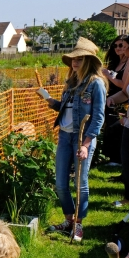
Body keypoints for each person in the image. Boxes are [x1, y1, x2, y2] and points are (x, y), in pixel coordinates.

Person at [42, 37, 107, 242]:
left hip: (82, 139)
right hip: (64, 136)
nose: (75, 63)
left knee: (81, 183)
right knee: (61, 183)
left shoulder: (96, 84)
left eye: (79, 59)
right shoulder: (71, 83)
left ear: (88, 60)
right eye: (73, 59)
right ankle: (68, 220)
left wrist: (86, 144)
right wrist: (50, 101)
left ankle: (78, 224)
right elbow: (66, 108)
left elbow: (98, 116)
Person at [107, 33, 129, 207]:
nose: (123, 49)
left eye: (127, 45)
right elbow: (125, 92)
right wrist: (111, 100)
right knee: (128, 161)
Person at [101, 35, 129, 166]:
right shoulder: (115, 63)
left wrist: (109, 76)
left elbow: (123, 84)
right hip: (112, 99)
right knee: (110, 127)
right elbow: (125, 90)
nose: (119, 48)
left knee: (117, 128)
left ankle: (117, 159)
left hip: (123, 102)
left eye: (123, 46)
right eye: (117, 45)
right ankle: (113, 158)